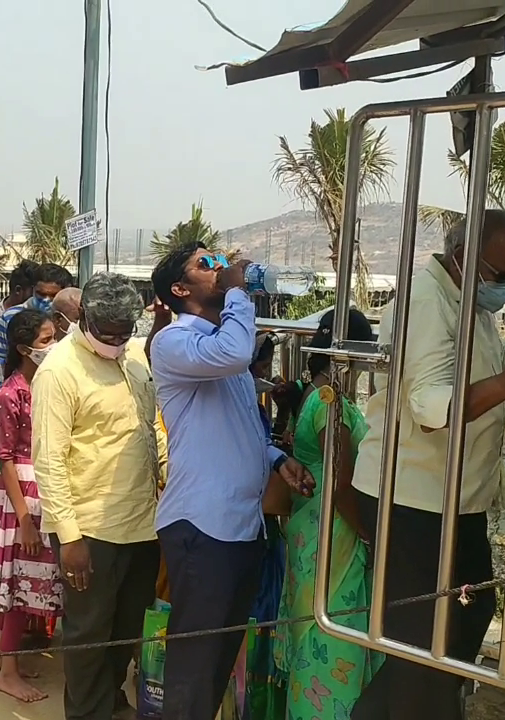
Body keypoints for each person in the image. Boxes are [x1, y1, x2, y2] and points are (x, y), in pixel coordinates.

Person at [348, 211, 505, 719]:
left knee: (464, 623)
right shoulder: (427, 304)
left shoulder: (467, 299)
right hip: (412, 499)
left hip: (453, 499)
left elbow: (495, 366)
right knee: (424, 644)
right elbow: (430, 408)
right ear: (467, 259)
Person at [149, 246, 313, 720]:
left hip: (240, 526)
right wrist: (239, 287)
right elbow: (238, 350)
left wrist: (277, 458)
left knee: (218, 660)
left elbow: (241, 428)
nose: (219, 268)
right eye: (206, 264)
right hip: (203, 526)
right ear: (180, 291)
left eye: (220, 260)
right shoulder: (176, 342)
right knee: (195, 667)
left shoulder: (223, 348)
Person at [32, 272, 163, 720]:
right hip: (90, 530)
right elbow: (48, 460)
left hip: (143, 523)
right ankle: (87, 712)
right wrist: (69, 538)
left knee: (127, 628)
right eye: (106, 334)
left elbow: (150, 429)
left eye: (123, 334)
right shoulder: (58, 371)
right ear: (83, 317)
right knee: (89, 633)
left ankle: (110, 702)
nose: (115, 341)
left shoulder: (136, 356)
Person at [261, 309, 380, 719]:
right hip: (334, 533)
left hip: (307, 530)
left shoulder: (310, 397)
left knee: (308, 630)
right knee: (332, 639)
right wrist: (369, 533)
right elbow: (340, 481)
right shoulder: (334, 406)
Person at [0, 309, 65, 702]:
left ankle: (4, 653)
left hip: (41, 490)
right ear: (23, 348)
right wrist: (24, 519)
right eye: (46, 340)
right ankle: (8, 672)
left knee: (26, 577)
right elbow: (6, 459)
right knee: (20, 582)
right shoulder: (10, 393)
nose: (53, 347)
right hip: (24, 496)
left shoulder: (47, 385)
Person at [0, 262, 75, 368]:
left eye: (53, 295)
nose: (46, 300)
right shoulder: (9, 318)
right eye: (41, 294)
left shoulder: (71, 322)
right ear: (33, 289)